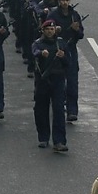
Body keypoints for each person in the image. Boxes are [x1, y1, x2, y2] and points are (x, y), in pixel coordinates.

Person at [32, 19, 69, 151]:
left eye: (52, 29)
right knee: (41, 108)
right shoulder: (38, 43)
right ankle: (43, 137)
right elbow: (34, 53)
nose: (50, 31)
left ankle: (59, 141)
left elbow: (68, 62)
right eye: (47, 29)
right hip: (43, 80)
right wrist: (42, 54)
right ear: (43, 30)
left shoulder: (60, 43)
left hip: (58, 79)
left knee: (59, 109)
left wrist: (63, 56)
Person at [49, 0, 84, 120]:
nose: (65, 3)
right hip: (57, 49)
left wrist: (77, 30)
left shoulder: (74, 15)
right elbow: (47, 32)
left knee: (72, 82)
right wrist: (57, 31)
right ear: (59, 1)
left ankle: (72, 111)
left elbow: (81, 35)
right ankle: (58, 105)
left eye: (67, 0)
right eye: (63, 0)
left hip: (70, 50)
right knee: (58, 81)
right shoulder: (53, 15)